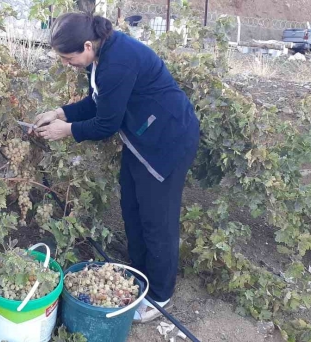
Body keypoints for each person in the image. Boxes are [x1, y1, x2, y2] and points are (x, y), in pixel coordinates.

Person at [31, 12, 200, 323]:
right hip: (143, 139)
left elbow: (106, 123)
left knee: (157, 221)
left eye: (69, 58)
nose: (68, 63)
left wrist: (65, 130)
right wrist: (60, 112)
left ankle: (160, 296)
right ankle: (139, 275)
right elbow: (98, 102)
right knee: (132, 209)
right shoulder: (101, 54)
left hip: (168, 141)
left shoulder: (118, 61)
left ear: (86, 45)